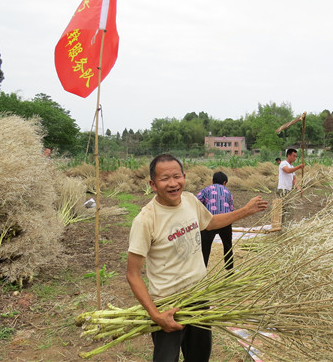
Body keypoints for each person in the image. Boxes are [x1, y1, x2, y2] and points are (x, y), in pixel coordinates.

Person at [126, 154, 268, 362]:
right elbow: (133, 274)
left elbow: (210, 223)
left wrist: (245, 211)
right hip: (168, 306)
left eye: (177, 176)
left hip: (199, 298)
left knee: (199, 358)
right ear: (153, 184)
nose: (173, 183)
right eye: (165, 179)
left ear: (184, 176)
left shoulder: (190, 200)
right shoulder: (146, 219)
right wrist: (156, 315)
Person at [196, 171, 235, 272]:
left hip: (210, 221)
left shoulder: (206, 190)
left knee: (205, 247)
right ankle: (229, 269)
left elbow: (196, 203)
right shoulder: (227, 191)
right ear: (224, 182)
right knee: (228, 245)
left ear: (212, 181)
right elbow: (231, 209)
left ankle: (202, 271)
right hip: (225, 221)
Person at [277, 148, 305, 225]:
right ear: (288, 155)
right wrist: (299, 167)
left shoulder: (291, 166)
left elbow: (294, 179)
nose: (295, 158)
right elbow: (288, 170)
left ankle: (286, 225)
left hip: (288, 190)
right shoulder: (283, 163)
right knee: (285, 209)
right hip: (283, 189)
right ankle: (283, 225)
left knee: (289, 209)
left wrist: (299, 188)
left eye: (296, 156)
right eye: (293, 156)